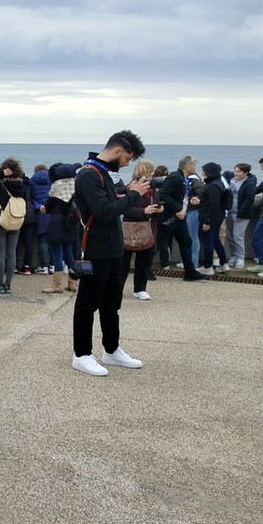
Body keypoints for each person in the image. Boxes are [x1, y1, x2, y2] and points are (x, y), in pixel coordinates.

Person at [71, 130, 151, 377]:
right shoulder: (88, 174)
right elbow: (105, 211)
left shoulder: (104, 173)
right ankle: (81, 355)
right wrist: (134, 195)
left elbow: (111, 204)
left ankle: (111, 349)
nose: (127, 164)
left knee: (111, 303)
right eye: (127, 158)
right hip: (95, 249)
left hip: (113, 247)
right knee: (87, 303)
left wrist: (127, 193)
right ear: (117, 151)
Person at [0, 158, 30, 295]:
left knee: (0, 254)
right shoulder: (23, 186)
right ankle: (8, 285)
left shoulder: (0, 187)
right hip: (16, 221)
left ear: (5, 170)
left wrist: (0, 174)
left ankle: (0, 284)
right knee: (12, 254)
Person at [156, 157, 208, 282]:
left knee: (186, 241)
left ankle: (190, 272)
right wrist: (178, 208)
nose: (195, 168)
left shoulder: (183, 179)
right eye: (194, 165)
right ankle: (144, 270)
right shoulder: (175, 177)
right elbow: (163, 195)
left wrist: (189, 200)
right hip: (169, 217)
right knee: (158, 242)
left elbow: (179, 196)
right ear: (188, 166)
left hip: (179, 217)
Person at [120, 159, 164, 300]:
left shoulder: (153, 189)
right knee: (123, 262)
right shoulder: (130, 187)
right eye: (150, 171)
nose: (153, 174)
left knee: (144, 261)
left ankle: (140, 288)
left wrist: (159, 209)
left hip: (148, 229)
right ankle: (117, 288)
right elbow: (124, 208)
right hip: (131, 228)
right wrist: (143, 211)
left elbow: (156, 204)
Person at [42, 162, 78, 294]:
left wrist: (43, 209)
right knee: (68, 252)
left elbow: (48, 206)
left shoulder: (57, 186)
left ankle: (56, 285)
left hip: (57, 221)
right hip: (70, 222)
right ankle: (72, 282)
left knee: (57, 252)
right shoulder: (75, 185)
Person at [197, 162, 230, 275]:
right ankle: (224, 263)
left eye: (204, 171)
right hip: (218, 216)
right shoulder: (218, 183)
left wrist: (207, 221)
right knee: (215, 240)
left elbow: (213, 205)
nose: (203, 173)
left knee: (209, 242)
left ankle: (208, 266)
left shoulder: (212, 186)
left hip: (211, 217)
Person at [225, 163, 256, 269]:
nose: (235, 173)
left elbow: (249, 200)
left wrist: (241, 214)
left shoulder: (249, 183)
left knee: (238, 236)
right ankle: (233, 255)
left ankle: (240, 258)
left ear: (245, 173)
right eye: (235, 171)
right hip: (230, 212)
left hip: (241, 214)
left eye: (238, 171)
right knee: (230, 236)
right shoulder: (231, 179)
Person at [29, 163, 52, 274]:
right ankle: (52, 265)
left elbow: (30, 198)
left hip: (40, 213)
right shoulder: (52, 180)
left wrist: (39, 206)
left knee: (42, 240)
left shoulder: (31, 181)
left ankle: (44, 266)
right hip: (51, 212)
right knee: (52, 240)